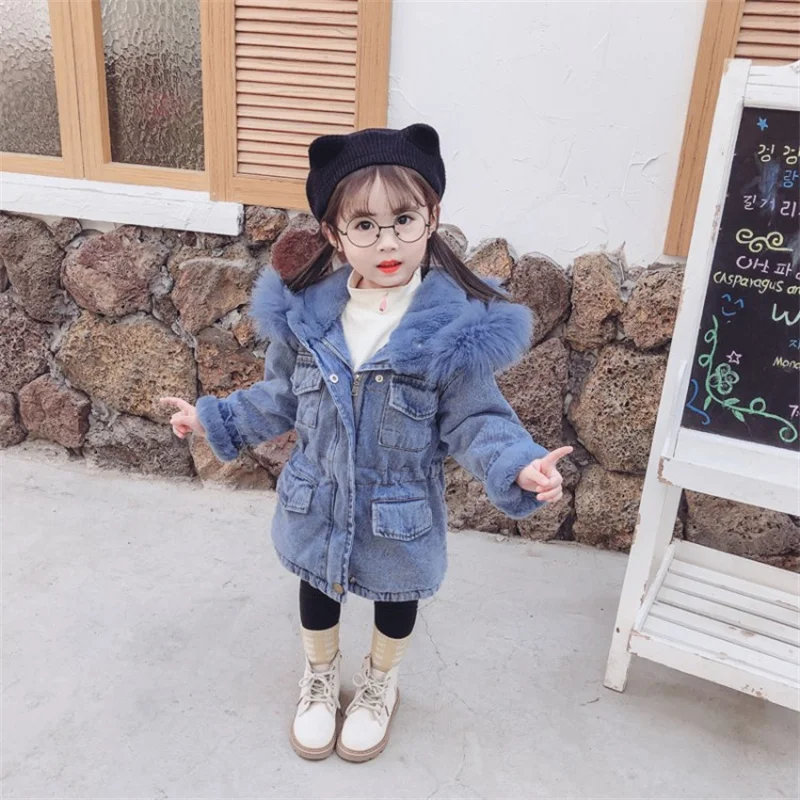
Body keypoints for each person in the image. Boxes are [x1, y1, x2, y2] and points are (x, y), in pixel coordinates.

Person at [160, 123, 572, 763]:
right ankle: (320, 678)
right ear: (333, 234)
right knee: (317, 585)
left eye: (404, 220)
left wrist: (519, 466)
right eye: (365, 225)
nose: (388, 242)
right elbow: (280, 396)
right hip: (316, 495)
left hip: (398, 506)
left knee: (396, 596)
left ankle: (380, 683)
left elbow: (476, 420)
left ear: (432, 218)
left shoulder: (451, 328)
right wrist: (213, 418)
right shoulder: (307, 318)